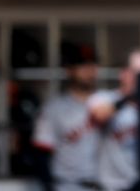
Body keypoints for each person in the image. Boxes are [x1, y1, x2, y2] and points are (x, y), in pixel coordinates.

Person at [32, 42, 105, 191]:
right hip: (68, 185)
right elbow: (41, 153)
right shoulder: (54, 108)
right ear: (69, 70)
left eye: (92, 65)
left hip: (105, 185)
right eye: (82, 65)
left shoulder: (108, 102)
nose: (89, 71)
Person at [88, 50, 140, 191]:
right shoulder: (105, 98)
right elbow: (99, 115)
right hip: (111, 185)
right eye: (137, 75)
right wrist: (129, 96)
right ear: (124, 73)